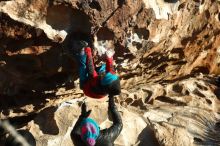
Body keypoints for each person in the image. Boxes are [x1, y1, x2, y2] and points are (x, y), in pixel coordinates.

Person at [72, 34, 121, 99]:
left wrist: (87, 50)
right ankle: (99, 70)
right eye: (107, 74)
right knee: (104, 66)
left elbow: (90, 68)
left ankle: (80, 51)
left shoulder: (95, 84)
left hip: (87, 86)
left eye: (104, 76)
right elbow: (110, 69)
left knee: (83, 68)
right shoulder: (112, 79)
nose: (105, 73)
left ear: (102, 81)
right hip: (98, 81)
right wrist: (109, 57)